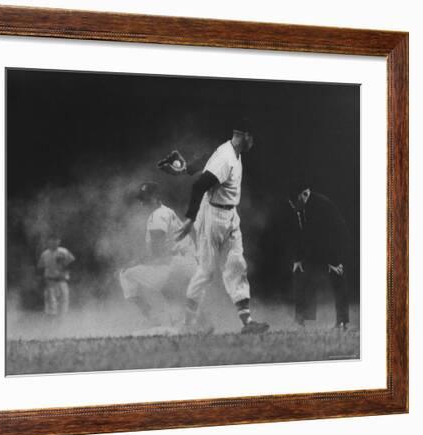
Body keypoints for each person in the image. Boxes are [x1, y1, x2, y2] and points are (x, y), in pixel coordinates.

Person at [166, 121, 270, 334]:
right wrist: (189, 220)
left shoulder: (231, 151)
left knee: (236, 264)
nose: (254, 142)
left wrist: (186, 169)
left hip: (230, 214)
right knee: (206, 271)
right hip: (212, 215)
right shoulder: (226, 158)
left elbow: (206, 158)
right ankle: (188, 324)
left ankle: (247, 323)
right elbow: (199, 185)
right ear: (243, 135)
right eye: (252, 137)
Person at [119, 182, 198, 326]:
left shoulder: (158, 216)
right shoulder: (165, 211)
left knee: (126, 274)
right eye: (141, 199)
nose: (142, 202)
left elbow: (157, 252)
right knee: (158, 281)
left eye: (146, 198)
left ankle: (154, 319)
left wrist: (135, 262)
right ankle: (196, 321)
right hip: (185, 261)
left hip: (177, 262)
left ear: (156, 197)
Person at [286, 182, 350, 329]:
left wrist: (335, 262)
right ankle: (303, 320)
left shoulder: (322, 206)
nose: (292, 206)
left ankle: (342, 321)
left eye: (294, 201)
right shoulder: (300, 207)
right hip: (317, 246)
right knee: (303, 273)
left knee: (338, 277)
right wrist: (298, 260)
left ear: (304, 194)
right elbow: (300, 235)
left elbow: (331, 235)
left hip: (336, 245)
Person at [36, 236, 75, 317]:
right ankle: (51, 325)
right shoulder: (45, 254)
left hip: (62, 281)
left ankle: (62, 324)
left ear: (59, 241)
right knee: (51, 306)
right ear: (48, 242)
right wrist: (42, 280)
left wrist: (66, 268)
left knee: (63, 304)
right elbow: (40, 267)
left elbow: (72, 263)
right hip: (50, 281)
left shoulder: (64, 251)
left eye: (56, 240)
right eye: (52, 241)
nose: (54, 242)